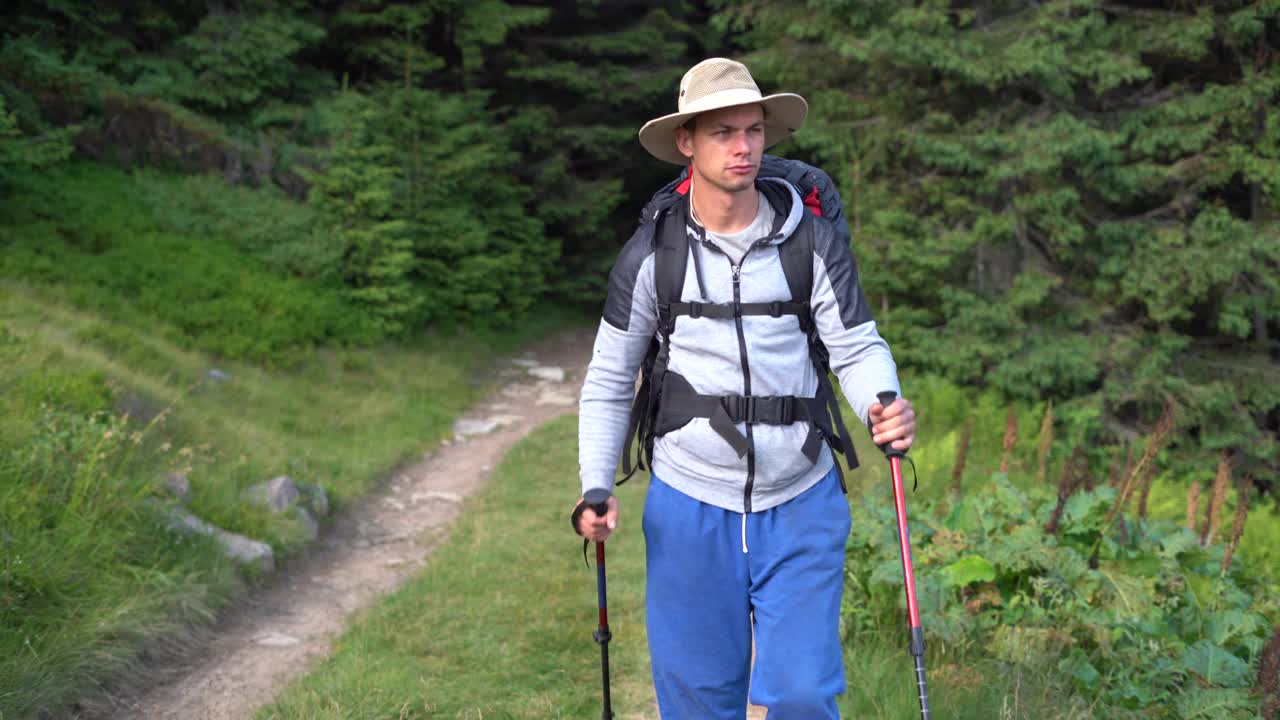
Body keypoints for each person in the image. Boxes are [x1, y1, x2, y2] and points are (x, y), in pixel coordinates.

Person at [572, 57, 916, 719]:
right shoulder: (651, 255)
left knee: (802, 695)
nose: (743, 147)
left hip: (802, 498)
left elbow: (856, 345)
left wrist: (884, 403)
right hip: (689, 503)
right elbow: (611, 381)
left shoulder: (811, 242)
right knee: (699, 701)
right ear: (686, 142)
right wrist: (596, 486)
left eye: (754, 131)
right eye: (724, 132)